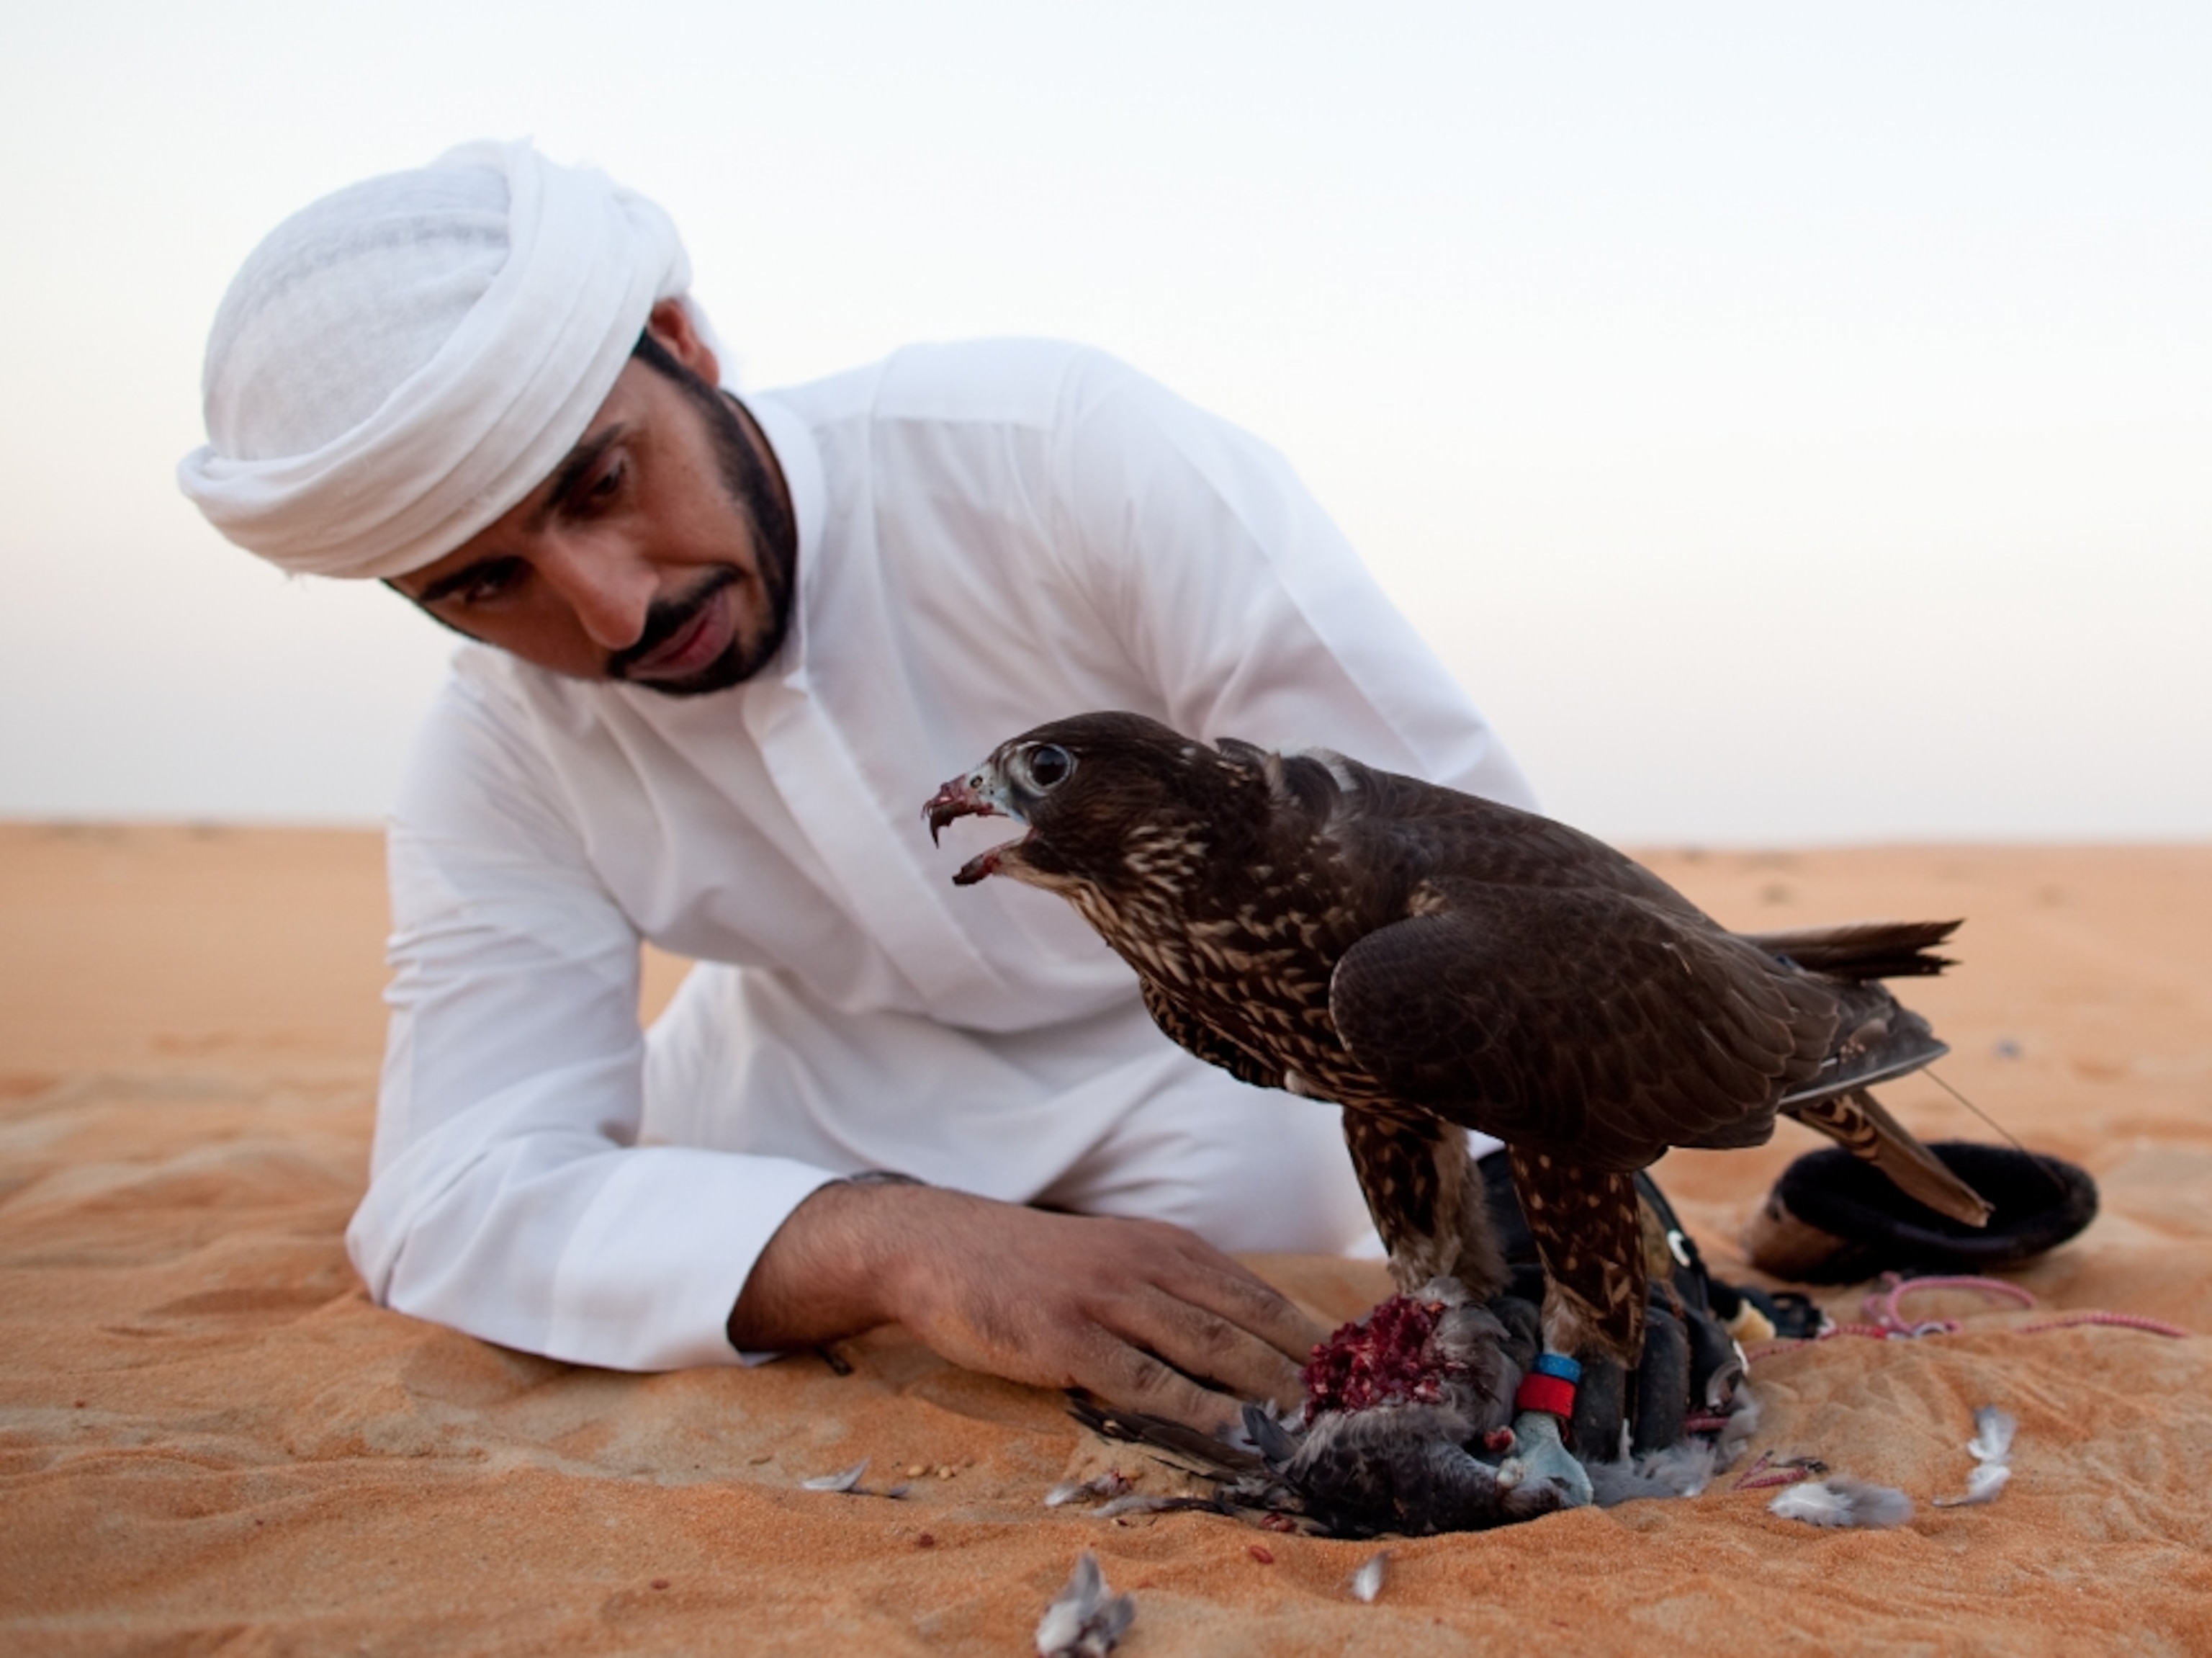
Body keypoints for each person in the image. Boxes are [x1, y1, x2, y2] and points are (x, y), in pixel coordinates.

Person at [178, 139, 1536, 1433]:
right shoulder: (498, 747)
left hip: (1217, 1062)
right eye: (485, 584)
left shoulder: (1051, 452)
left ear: (680, 338)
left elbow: (1444, 856)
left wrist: (1554, 1184)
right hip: (803, 1105)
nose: (611, 611)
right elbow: (450, 1195)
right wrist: (893, 1245)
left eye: (600, 479)